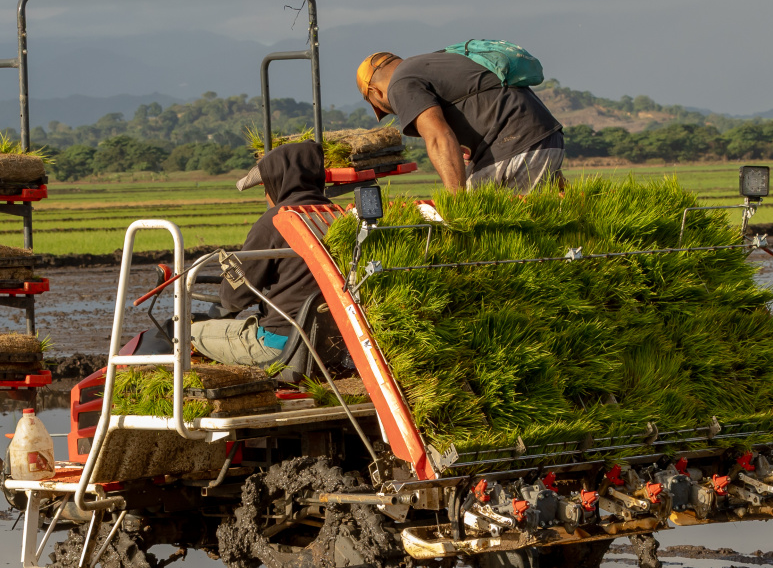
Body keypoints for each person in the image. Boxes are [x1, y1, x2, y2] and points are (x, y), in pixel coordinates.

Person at [190, 140, 329, 366]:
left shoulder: (275, 222)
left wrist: (233, 284)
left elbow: (232, 299)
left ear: (279, 183)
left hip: (281, 344)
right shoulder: (337, 218)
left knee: (189, 333)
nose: (266, 194)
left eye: (266, 186)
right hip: (329, 342)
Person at [356, 50, 565, 194]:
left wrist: (456, 204)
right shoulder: (437, 63)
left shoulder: (400, 84)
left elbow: (438, 138)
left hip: (515, 144)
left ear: (375, 92)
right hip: (543, 138)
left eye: (381, 107)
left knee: (478, 226)